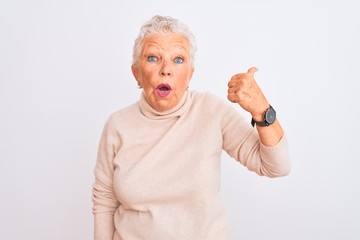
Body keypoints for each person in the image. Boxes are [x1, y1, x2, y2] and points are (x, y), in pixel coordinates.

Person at [92, 15, 290, 240]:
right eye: (153, 58)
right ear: (136, 72)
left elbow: (277, 166)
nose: (166, 69)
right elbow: (105, 202)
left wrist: (262, 110)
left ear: (190, 75)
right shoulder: (117, 125)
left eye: (178, 60)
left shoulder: (211, 112)